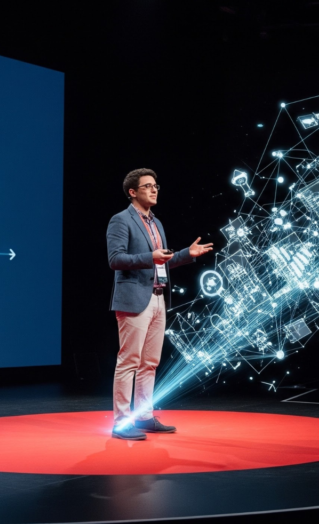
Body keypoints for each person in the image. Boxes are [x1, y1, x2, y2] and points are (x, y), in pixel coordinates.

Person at [107, 168, 213, 440]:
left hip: (158, 297)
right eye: (147, 186)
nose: (154, 189)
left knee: (150, 363)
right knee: (129, 361)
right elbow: (115, 259)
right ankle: (121, 422)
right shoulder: (121, 220)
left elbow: (161, 260)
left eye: (156, 185)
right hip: (134, 298)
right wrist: (150, 257)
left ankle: (144, 417)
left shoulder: (157, 223)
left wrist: (186, 254)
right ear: (133, 192)